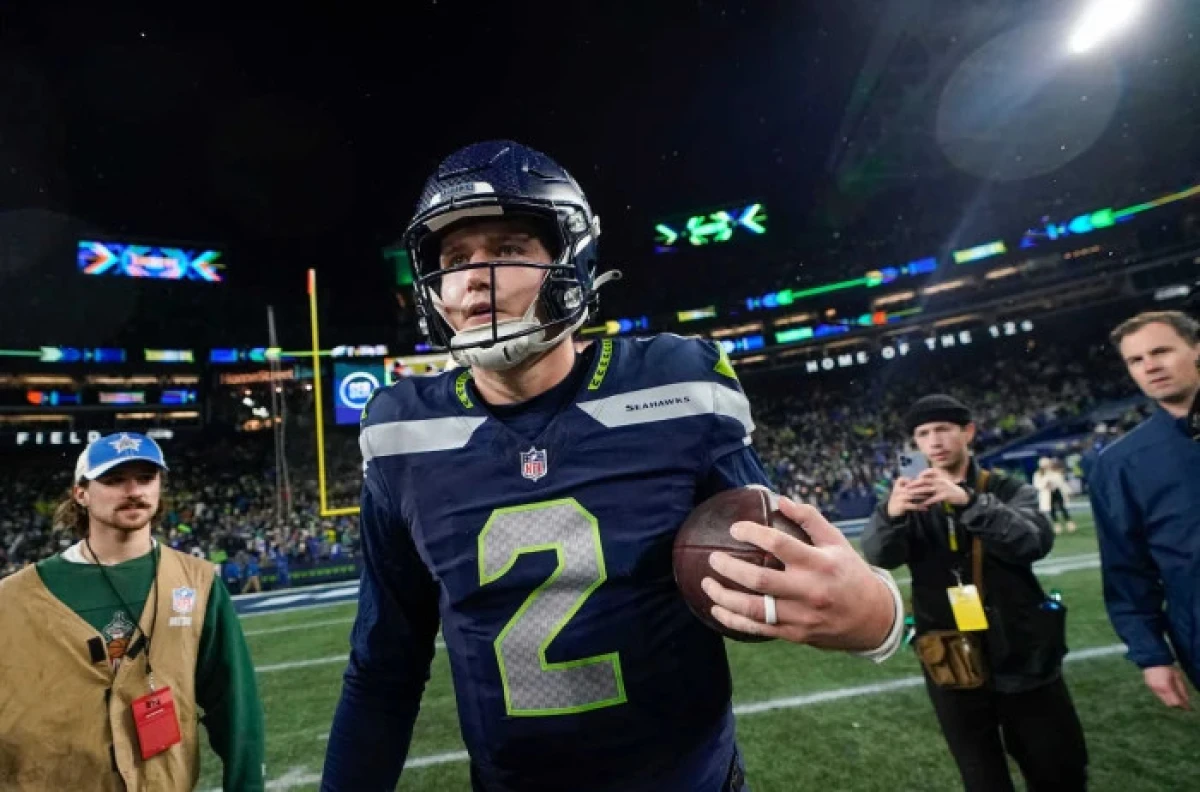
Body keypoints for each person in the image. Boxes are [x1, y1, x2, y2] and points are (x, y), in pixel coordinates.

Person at [321, 140, 905, 792]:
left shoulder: (677, 385)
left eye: (508, 249)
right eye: (455, 258)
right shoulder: (404, 433)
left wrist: (876, 613)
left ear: (569, 261)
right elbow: (382, 669)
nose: (473, 277)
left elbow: (773, 572)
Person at [0, 432, 265, 791]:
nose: (133, 490)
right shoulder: (15, 596)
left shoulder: (197, 582)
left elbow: (234, 702)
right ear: (81, 494)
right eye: (113, 480)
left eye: (145, 478)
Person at [862, 395, 1088, 792]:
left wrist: (969, 503)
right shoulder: (910, 497)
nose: (934, 441)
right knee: (980, 775)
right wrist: (890, 516)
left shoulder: (1005, 488)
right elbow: (880, 556)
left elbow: (1032, 543)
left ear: (968, 432)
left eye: (943, 429)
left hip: (1022, 648)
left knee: (1057, 768)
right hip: (949, 652)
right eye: (923, 434)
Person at [1088, 310, 1200, 709]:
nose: (1150, 366)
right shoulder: (1120, 462)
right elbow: (1125, 567)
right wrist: (1151, 654)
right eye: (1135, 360)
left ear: (1196, 349)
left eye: (1161, 351)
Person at [1032, 457, 1075, 534]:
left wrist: (1068, 491)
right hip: (1047, 493)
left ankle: (1069, 523)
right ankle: (1057, 526)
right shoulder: (1037, 474)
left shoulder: (1054, 472)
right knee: (1052, 510)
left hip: (1057, 492)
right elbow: (1036, 485)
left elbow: (1061, 483)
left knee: (1062, 508)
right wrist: (1045, 485)